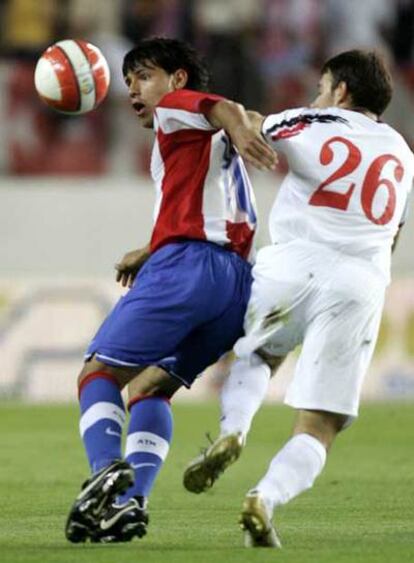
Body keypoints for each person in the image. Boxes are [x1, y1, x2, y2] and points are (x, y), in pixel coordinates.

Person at [183, 49, 414, 548]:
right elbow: (392, 233)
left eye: (321, 86)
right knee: (321, 423)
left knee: (257, 354)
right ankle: (265, 497)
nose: (316, 95)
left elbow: (250, 124)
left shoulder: (311, 118)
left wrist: (247, 129)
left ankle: (235, 430)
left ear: (341, 93)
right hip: (359, 280)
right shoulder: (402, 153)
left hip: (291, 262)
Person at [64, 37, 277, 544]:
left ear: (177, 80)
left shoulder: (175, 110)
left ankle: (104, 472)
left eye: (144, 75)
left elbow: (221, 105)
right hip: (236, 285)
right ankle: (128, 507)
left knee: (98, 372)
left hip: (191, 267)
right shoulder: (200, 138)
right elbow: (225, 138)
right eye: (129, 79)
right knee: (150, 387)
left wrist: (241, 123)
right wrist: (151, 245)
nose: (134, 89)